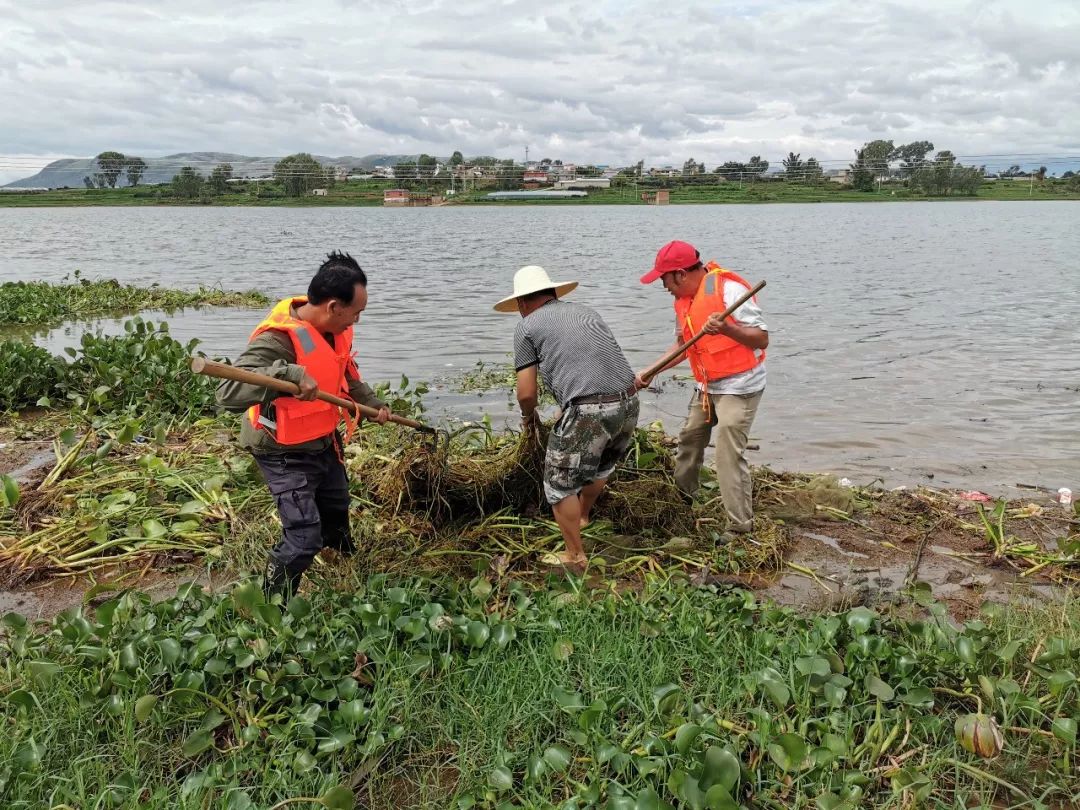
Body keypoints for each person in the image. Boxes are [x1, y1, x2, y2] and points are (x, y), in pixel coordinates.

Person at [216, 251, 390, 599]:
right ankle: (272, 603)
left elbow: (345, 374)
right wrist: (288, 375)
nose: (356, 321)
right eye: (356, 313)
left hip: (323, 439)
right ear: (333, 306)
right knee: (303, 536)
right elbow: (227, 393)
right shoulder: (277, 341)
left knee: (336, 505)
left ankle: (342, 569)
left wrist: (371, 404)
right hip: (283, 450)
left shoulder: (335, 331)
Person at [494, 265, 640, 572]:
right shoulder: (585, 312)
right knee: (601, 465)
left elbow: (526, 393)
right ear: (553, 293)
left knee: (559, 484)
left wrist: (528, 418)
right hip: (628, 402)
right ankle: (582, 517)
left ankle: (575, 555)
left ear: (521, 302)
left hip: (590, 411)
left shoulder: (526, 326)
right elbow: (594, 364)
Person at [636, 240, 768, 536]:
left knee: (727, 452)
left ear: (680, 274)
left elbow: (761, 339)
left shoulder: (730, 291)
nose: (664, 287)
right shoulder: (683, 301)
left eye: (664, 279)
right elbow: (683, 346)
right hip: (707, 386)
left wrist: (728, 328)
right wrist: (650, 371)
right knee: (690, 439)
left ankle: (739, 527)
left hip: (740, 386)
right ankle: (682, 502)